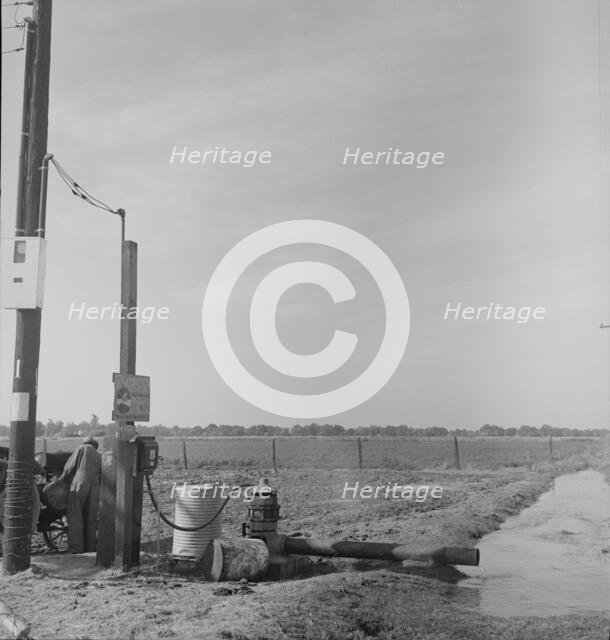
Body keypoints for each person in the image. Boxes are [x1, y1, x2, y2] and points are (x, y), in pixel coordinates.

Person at [60, 436, 101, 553]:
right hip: (95, 487)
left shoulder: (82, 448)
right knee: (91, 518)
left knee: (76, 516)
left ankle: (76, 548)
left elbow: (70, 467)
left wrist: (62, 479)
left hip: (80, 483)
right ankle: (90, 547)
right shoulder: (99, 455)